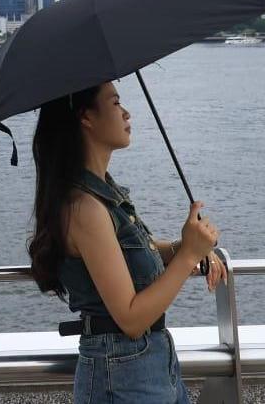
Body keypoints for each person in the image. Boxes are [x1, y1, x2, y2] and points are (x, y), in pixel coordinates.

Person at [27, 80, 225, 403]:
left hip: (152, 360)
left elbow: (132, 257)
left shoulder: (103, 192)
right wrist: (189, 255)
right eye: (116, 103)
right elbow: (131, 318)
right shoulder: (83, 208)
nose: (127, 112)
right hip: (122, 370)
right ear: (86, 118)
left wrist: (186, 247)